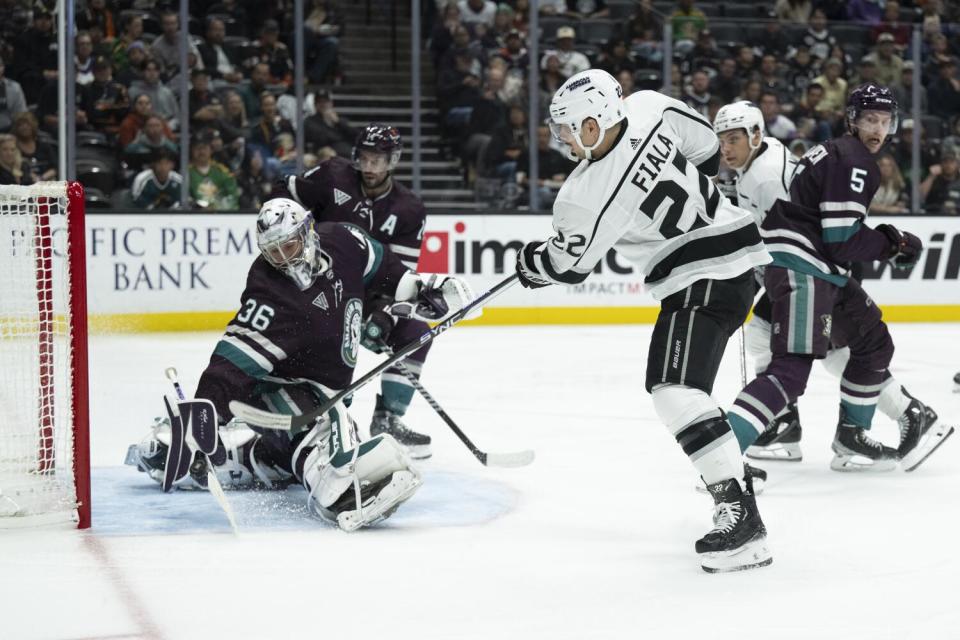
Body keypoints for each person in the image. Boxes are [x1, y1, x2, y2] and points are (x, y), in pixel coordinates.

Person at [514, 69, 773, 573]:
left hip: (702, 272)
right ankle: (733, 484)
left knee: (674, 389)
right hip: (736, 250)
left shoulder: (582, 195)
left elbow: (567, 266)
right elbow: (703, 150)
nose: (561, 137)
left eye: (568, 128)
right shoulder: (651, 106)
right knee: (680, 387)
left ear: (595, 124)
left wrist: (532, 264)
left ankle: (741, 516)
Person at [125, 200, 474, 530]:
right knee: (325, 429)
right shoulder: (270, 291)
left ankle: (253, 458)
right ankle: (338, 486)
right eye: (272, 251)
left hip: (328, 391)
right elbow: (231, 360)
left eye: (288, 245)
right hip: (279, 391)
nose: (283, 258)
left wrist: (428, 287)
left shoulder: (345, 240)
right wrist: (205, 413)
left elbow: (389, 274)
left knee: (317, 430)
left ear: (307, 232)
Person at [725, 84, 953, 474]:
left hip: (808, 268)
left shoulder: (826, 152)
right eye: (870, 120)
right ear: (852, 119)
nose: (878, 130)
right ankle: (723, 456)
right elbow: (841, 238)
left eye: (885, 121)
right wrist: (891, 243)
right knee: (790, 370)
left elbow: (826, 231)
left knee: (873, 342)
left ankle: (853, 437)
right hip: (806, 272)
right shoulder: (855, 159)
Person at [273, 124, 435, 459]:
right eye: (365, 159)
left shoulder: (409, 209)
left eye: (379, 160)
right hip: (313, 290)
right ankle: (290, 410)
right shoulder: (331, 176)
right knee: (320, 359)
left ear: (393, 161)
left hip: (364, 299)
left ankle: (388, 419)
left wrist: (383, 315)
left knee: (416, 331)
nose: (371, 168)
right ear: (355, 157)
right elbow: (281, 198)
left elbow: (398, 275)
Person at [189, 129, 239, 210]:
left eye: (204, 148)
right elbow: (185, 198)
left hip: (220, 218)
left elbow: (233, 197)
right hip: (196, 217)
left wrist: (221, 209)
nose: (201, 152)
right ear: (192, 151)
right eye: (197, 148)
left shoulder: (222, 171)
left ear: (211, 150)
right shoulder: (187, 173)